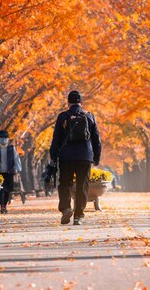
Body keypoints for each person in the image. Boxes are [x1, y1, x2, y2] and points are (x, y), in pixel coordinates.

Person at [49, 90, 102, 225]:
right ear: (81, 103)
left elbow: (56, 138)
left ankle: (66, 208)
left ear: (68, 102)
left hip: (66, 156)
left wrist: (53, 156)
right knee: (82, 185)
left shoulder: (63, 117)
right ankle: (78, 215)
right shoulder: (89, 116)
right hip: (85, 156)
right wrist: (96, 157)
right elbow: (96, 139)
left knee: (65, 184)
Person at [0, 130, 22, 214]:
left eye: (5, 138)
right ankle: (2, 206)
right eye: (1, 138)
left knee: (8, 190)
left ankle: (5, 205)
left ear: (8, 139)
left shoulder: (12, 148)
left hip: (9, 172)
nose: (3, 140)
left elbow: (16, 159)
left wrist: (18, 168)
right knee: (0, 190)